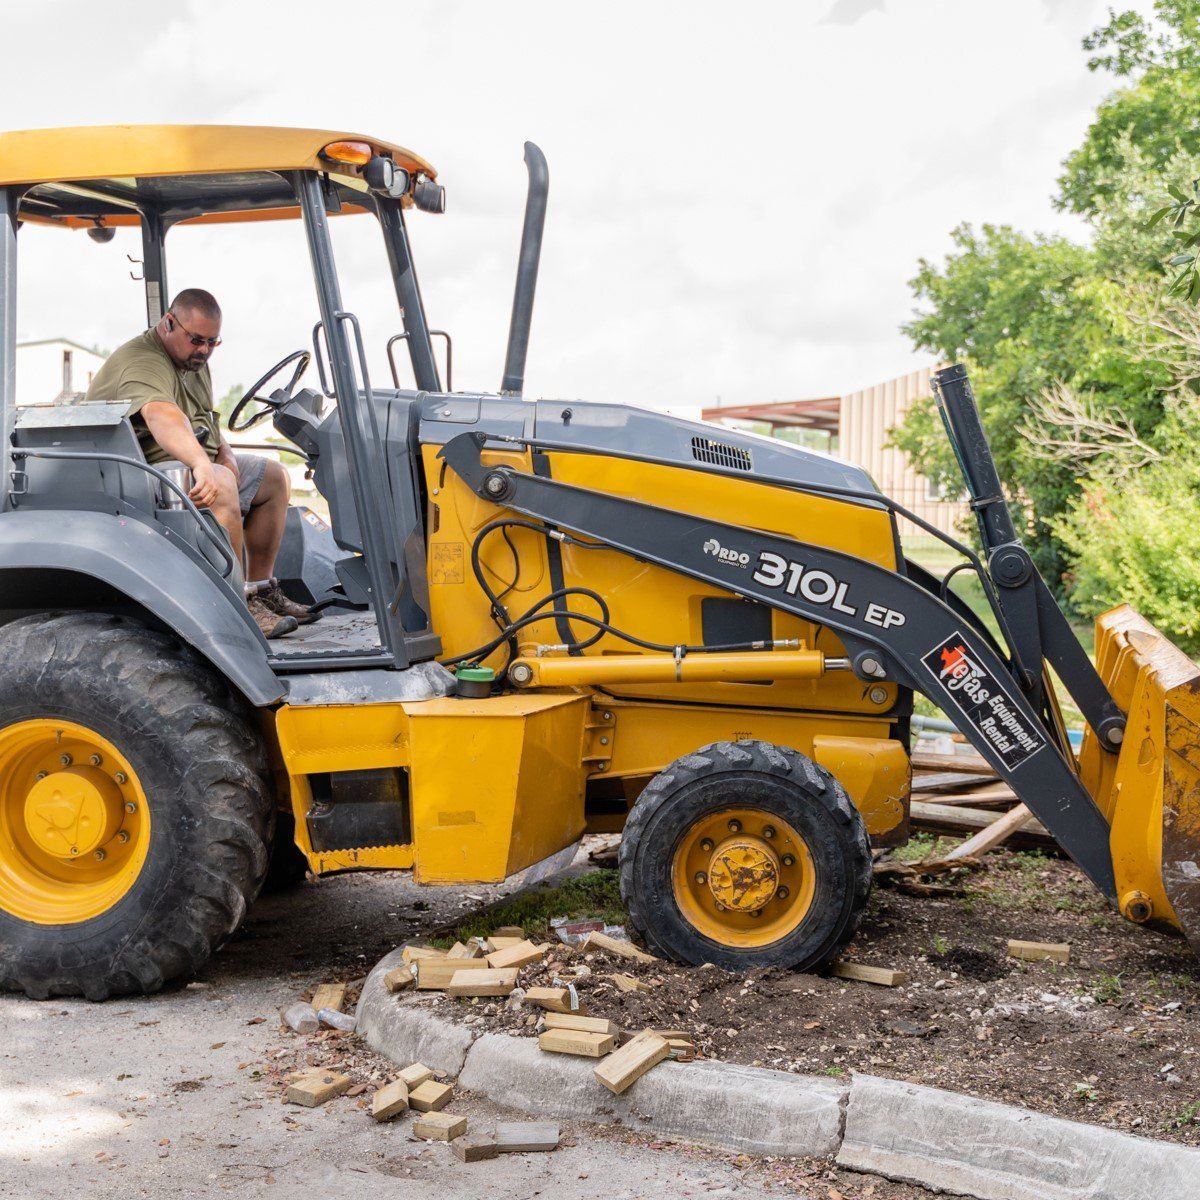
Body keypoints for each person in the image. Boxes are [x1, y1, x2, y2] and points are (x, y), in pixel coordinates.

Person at [86, 288, 315, 639]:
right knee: (221, 482)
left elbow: (203, 420)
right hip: (137, 474)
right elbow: (163, 415)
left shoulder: (192, 362)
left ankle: (260, 588)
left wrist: (223, 452)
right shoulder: (143, 361)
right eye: (196, 340)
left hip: (184, 465)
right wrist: (203, 464)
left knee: (274, 477)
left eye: (212, 342)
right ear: (168, 323)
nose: (204, 351)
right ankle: (238, 605)